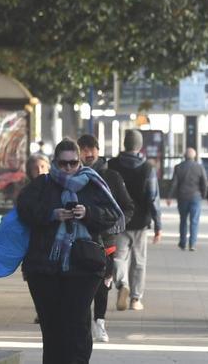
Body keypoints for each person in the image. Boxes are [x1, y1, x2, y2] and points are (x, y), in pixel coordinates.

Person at [16, 139, 122, 364]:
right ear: (55, 162)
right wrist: (52, 214)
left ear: (79, 161)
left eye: (72, 163)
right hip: (45, 266)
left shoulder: (93, 183)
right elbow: (24, 209)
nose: (68, 168)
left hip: (84, 265)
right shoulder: (43, 184)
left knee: (77, 324)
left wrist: (88, 213)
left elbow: (112, 215)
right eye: (63, 164)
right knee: (52, 327)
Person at [76, 135, 133, 343]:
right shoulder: (73, 177)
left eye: (92, 148)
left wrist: (117, 224)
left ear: (98, 150)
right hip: (79, 241)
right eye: (84, 149)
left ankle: (99, 322)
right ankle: (83, 325)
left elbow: (127, 207)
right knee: (81, 286)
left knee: (102, 285)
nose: (88, 153)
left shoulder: (112, 177)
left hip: (106, 241)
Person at [107, 129, 161, 312]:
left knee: (118, 257)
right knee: (139, 261)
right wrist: (158, 225)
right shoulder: (147, 168)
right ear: (140, 146)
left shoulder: (112, 165)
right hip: (140, 222)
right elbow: (153, 197)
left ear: (124, 144)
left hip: (118, 221)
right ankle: (135, 299)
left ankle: (122, 283)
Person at [166, 147, 208, 251]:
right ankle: (192, 244)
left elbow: (174, 183)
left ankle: (183, 243)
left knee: (183, 220)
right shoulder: (199, 167)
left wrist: (169, 196)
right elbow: (205, 183)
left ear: (184, 156)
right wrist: (203, 195)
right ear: (194, 156)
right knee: (194, 221)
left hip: (182, 197)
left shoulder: (178, 167)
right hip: (195, 197)